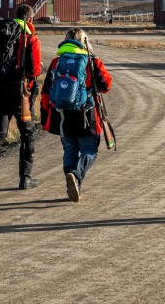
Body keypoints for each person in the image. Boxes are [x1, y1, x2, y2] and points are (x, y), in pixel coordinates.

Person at [0, 4, 43, 197]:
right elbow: (35, 70)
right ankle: (25, 179)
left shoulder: (0, 34)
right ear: (30, 19)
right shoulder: (30, 37)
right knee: (27, 135)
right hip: (21, 94)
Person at [40, 28, 112, 202]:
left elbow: (46, 91)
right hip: (87, 115)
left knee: (70, 150)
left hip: (62, 116)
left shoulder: (57, 62)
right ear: (85, 41)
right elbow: (106, 86)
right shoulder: (92, 61)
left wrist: (47, 113)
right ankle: (75, 174)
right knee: (89, 150)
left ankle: (72, 182)